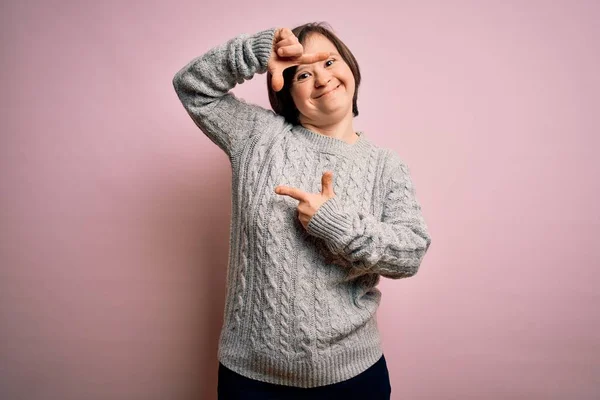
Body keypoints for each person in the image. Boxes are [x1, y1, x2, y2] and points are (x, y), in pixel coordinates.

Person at [172, 22, 432, 399]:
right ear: (287, 92)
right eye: (304, 73)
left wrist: (336, 224)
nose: (322, 78)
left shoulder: (385, 165)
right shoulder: (257, 134)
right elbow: (193, 87)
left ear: (351, 68)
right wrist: (258, 53)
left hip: (352, 378)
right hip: (251, 379)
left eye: (330, 62)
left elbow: (410, 253)